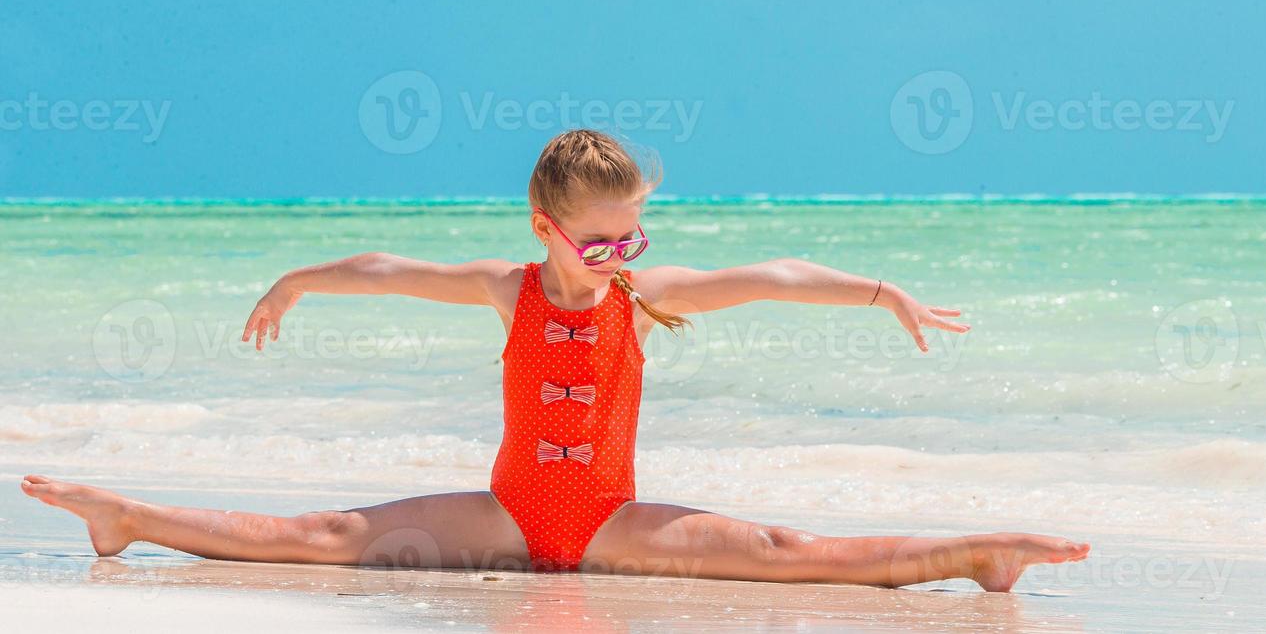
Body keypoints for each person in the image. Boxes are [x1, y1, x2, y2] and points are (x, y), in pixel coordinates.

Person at [22, 129, 1089, 592]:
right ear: (546, 226)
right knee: (323, 535)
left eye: (635, 235)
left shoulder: (644, 292)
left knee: (778, 545)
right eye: (601, 239)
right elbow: (394, 265)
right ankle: (127, 515)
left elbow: (772, 271)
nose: (621, 254)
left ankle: (974, 552)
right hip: (507, 514)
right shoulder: (508, 286)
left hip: (615, 521)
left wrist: (881, 290)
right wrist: (300, 276)